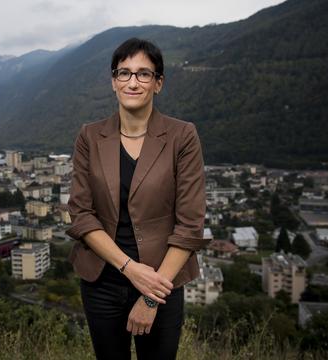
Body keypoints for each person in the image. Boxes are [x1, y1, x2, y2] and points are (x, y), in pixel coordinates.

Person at [65, 38, 209, 360]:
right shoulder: (90, 136)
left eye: (144, 74)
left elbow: (190, 225)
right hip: (101, 280)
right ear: (113, 81)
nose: (133, 81)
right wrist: (130, 269)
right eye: (124, 73)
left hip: (162, 281)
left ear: (158, 83)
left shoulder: (182, 136)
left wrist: (150, 297)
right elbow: (82, 214)